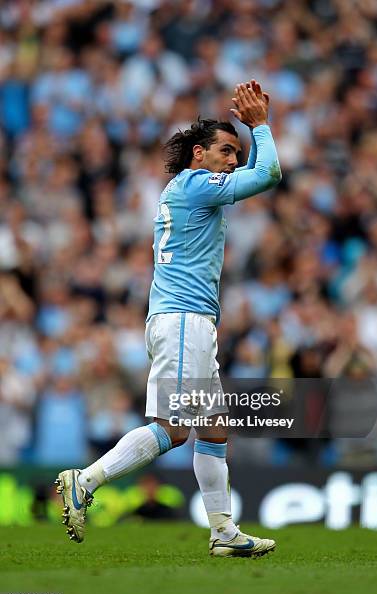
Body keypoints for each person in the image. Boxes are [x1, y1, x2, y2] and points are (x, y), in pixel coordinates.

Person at [55, 80, 282, 557]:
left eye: (237, 152)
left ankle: (223, 532)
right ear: (198, 154)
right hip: (183, 322)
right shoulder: (198, 185)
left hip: (189, 321)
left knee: (215, 426)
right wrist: (259, 126)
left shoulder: (184, 188)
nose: (233, 160)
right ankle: (85, 481)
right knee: (174, 428)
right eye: (226, 149)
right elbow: (270, 174)